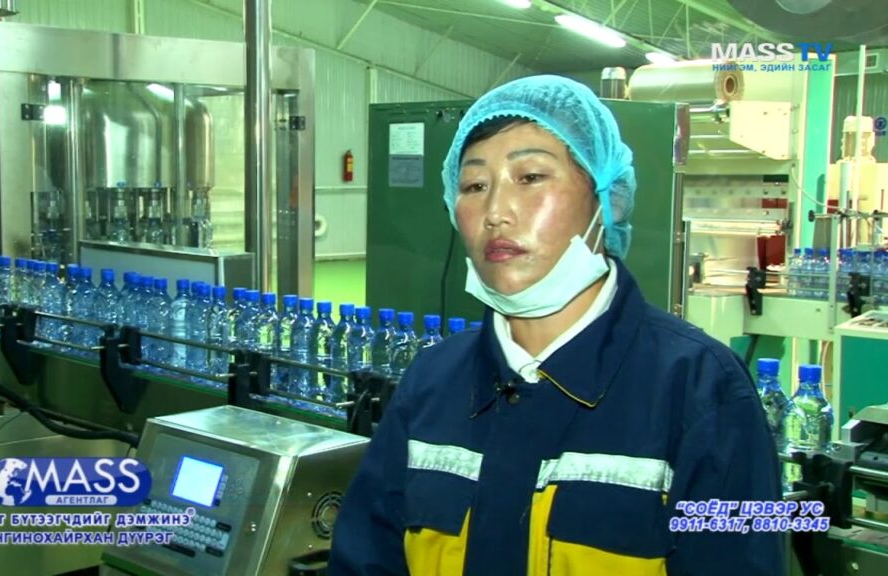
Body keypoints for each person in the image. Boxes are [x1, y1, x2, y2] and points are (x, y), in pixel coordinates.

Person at [329, 75, 784, 576]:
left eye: (530, 177)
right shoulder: (432, 382)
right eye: (474, 186)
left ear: (607, 197)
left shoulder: (702, 391)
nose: (496, 213)